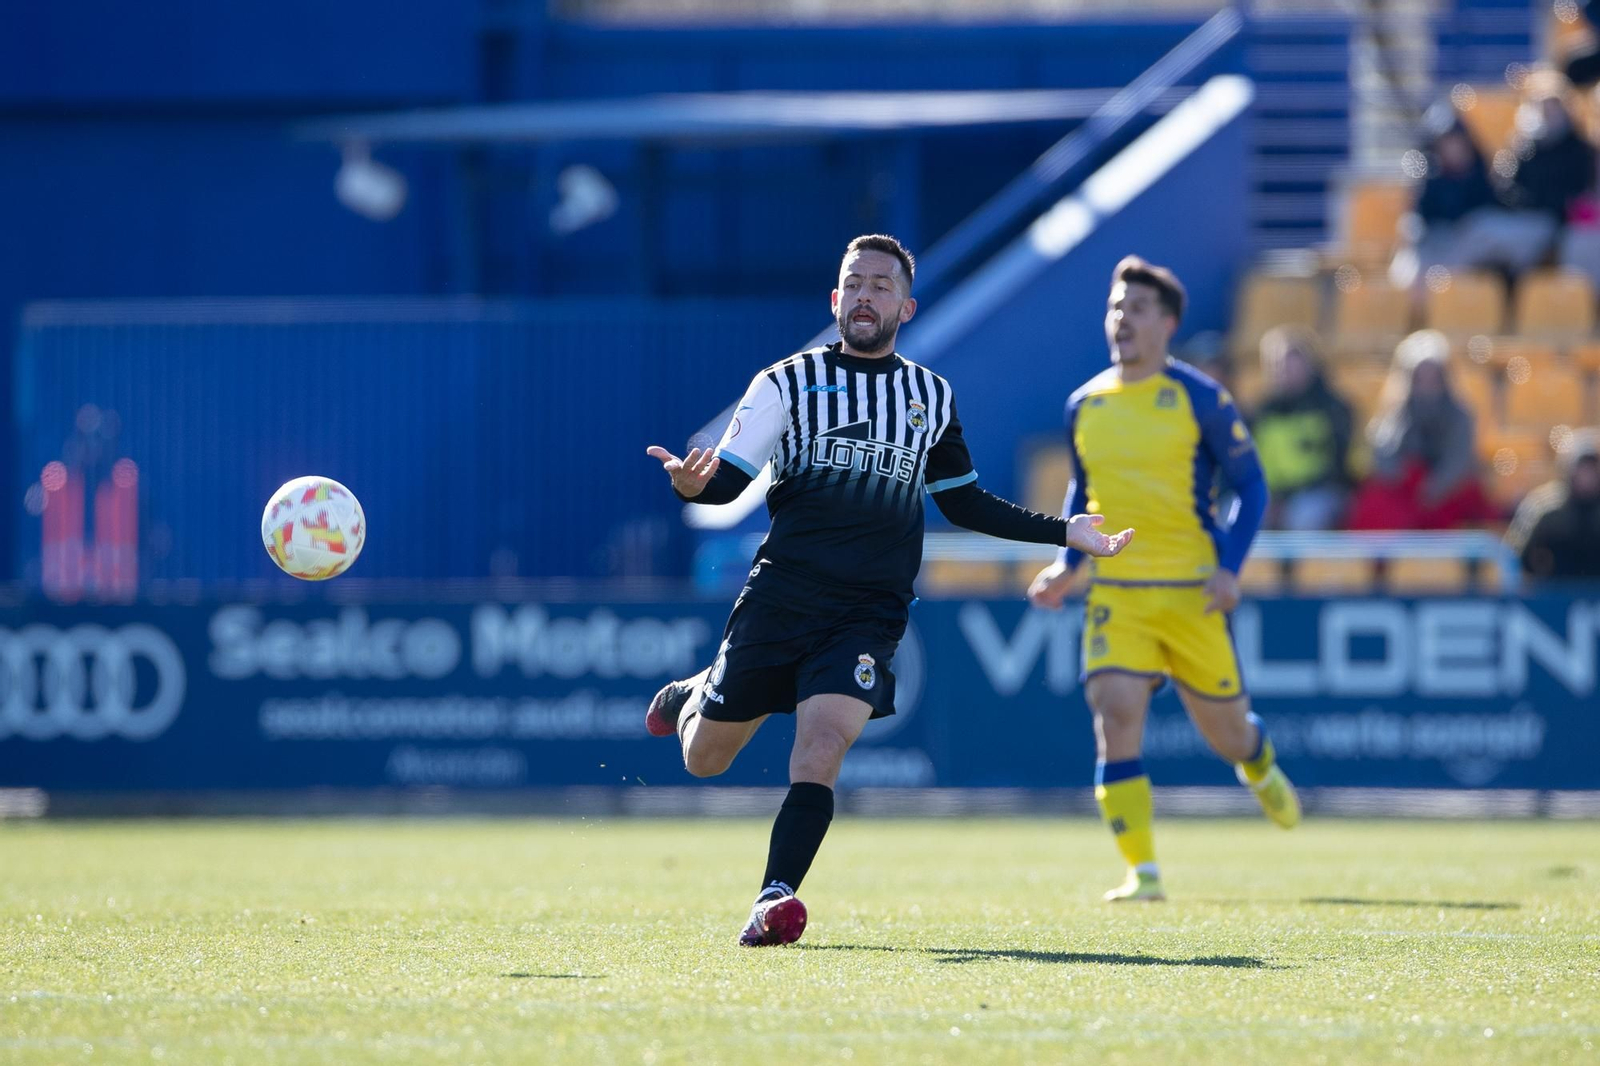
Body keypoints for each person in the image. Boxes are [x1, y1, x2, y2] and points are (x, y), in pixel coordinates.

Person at [644, 234, 1134, 945]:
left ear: (906, 307)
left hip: (867, 612)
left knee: (823, 745)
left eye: (881, 285)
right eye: (855, 283)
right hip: (782, 597)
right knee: (705, 759)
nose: (866, 295)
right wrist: (695, 486)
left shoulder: (930, 396)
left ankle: (773, 898)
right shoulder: (785, 382)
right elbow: (727, 480)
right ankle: (696, 690)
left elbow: (963, 502)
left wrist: (1064, 531)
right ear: (835, 300)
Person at [1026, 256, 1299, 905]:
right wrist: (1067, 565)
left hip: (1192, 596)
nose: (1122, 319)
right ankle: (1142, 872)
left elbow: (1252, 486)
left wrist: (1229, 569)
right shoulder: (1084, 403)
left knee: (1227, 736)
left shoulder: (1200, 398)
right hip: (1119, 596)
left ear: (1168, 323)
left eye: (1138, 309)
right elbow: (1083, 491)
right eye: (1116, 308)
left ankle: (1258, 762)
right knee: (1115, 713)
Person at [1347, 330, 1496, 530]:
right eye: (1420, 377)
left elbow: (1458, 461)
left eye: (1433, 376)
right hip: (1404, 494)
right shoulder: (1394, 413)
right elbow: (1382, 456)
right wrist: (1404, 478)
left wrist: (1433, 487)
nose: (1426, 382)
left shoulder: (1460, 414)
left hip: (1446, 493)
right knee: (1375, 502)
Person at [1249, 326, 1356, 531]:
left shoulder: (1334, 408)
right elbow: (1255, 464)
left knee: (1304, 516)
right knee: (1242, 513)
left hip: (1322, 491)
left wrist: (1290, 496)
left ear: (1310, 366)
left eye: (1292, 365)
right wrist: (1274, 496)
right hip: (1276, 495)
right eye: (1278, 366)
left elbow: (1338, 467)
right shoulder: (1263, 411)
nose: (1285, 372)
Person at [1505, 430, 1600, 581]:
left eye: (1592, 468)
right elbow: (1515, 553)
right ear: (1569, 471)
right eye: (1582, 468)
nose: (1587, 476)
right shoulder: (1543, 506)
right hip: (1553, 590)